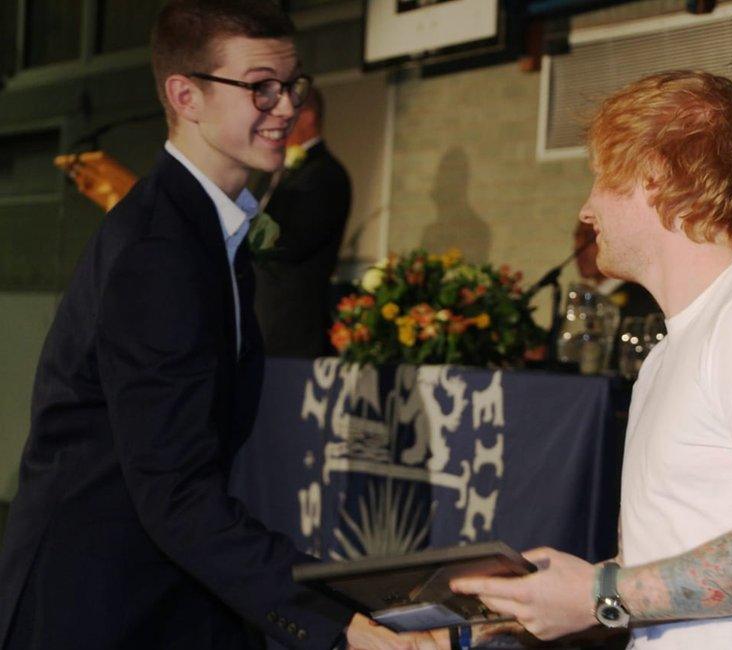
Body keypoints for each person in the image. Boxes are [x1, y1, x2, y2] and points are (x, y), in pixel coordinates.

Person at [0, 2, 436, 649]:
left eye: (292, 85)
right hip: (95, 600)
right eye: (261, 86)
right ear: (186, 95)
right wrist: (340, 626)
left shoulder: (211, 227)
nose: (285, 107)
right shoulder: (159, 250)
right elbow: (175, 494)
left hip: (168, 581)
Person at [452, 71, 732, 649]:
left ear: (655, 174)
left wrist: (600, 592)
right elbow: (674, 570)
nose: (587, 207)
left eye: (600, 178)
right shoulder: (679, 343)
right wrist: (551, 601)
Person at [253, 86, 352, 358]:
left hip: (291, 329)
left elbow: (292, 242)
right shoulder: (272, 170)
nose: (275, 120)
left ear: (308, 116)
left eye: (285, 112)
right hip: (257, 322)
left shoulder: (325, 174)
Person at [574, 220, 662, 321]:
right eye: (577, 237)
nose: (578, 247)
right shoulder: (581, 302)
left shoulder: (641, 301)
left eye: (589, 237)